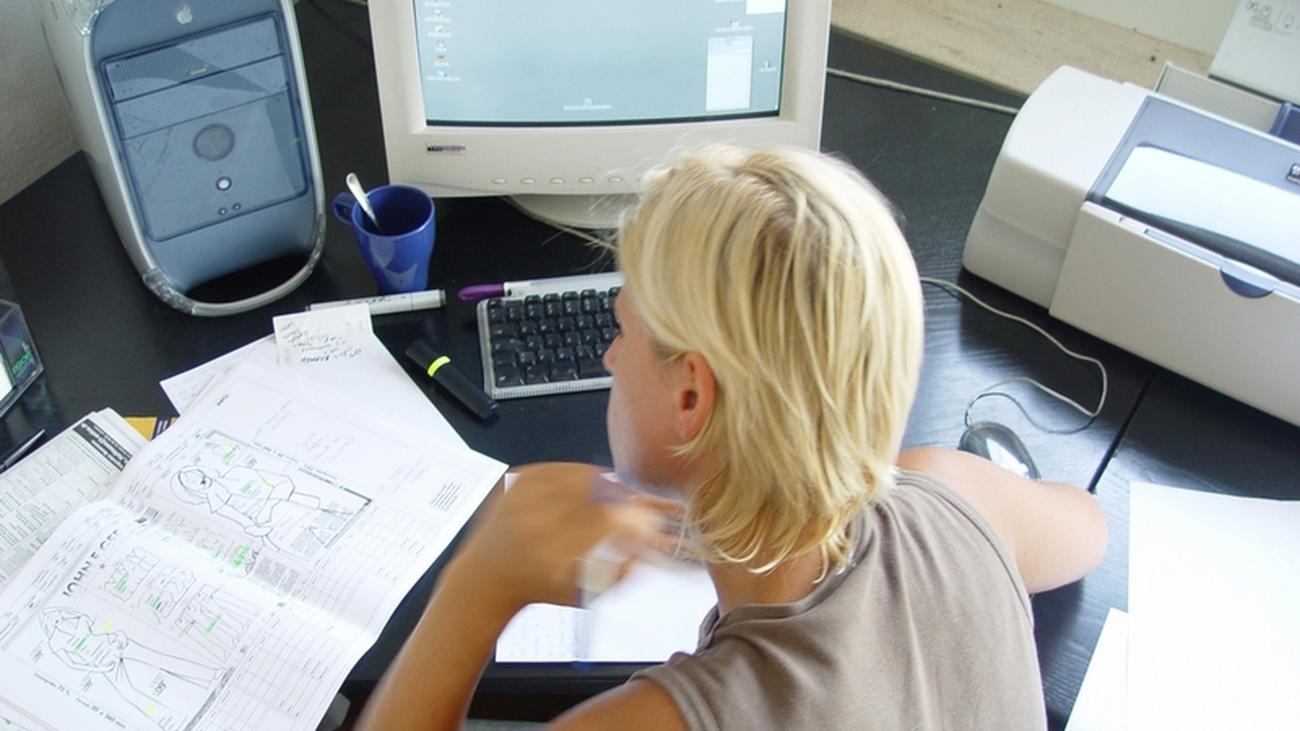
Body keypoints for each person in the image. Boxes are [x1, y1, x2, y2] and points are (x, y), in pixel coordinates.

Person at [357, 146, 1108, 730]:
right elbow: (1088, 529)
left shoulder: (657, 721)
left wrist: (478, 586)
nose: (610, 357)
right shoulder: (957, 494)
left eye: (622, 329)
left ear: (691, 395)